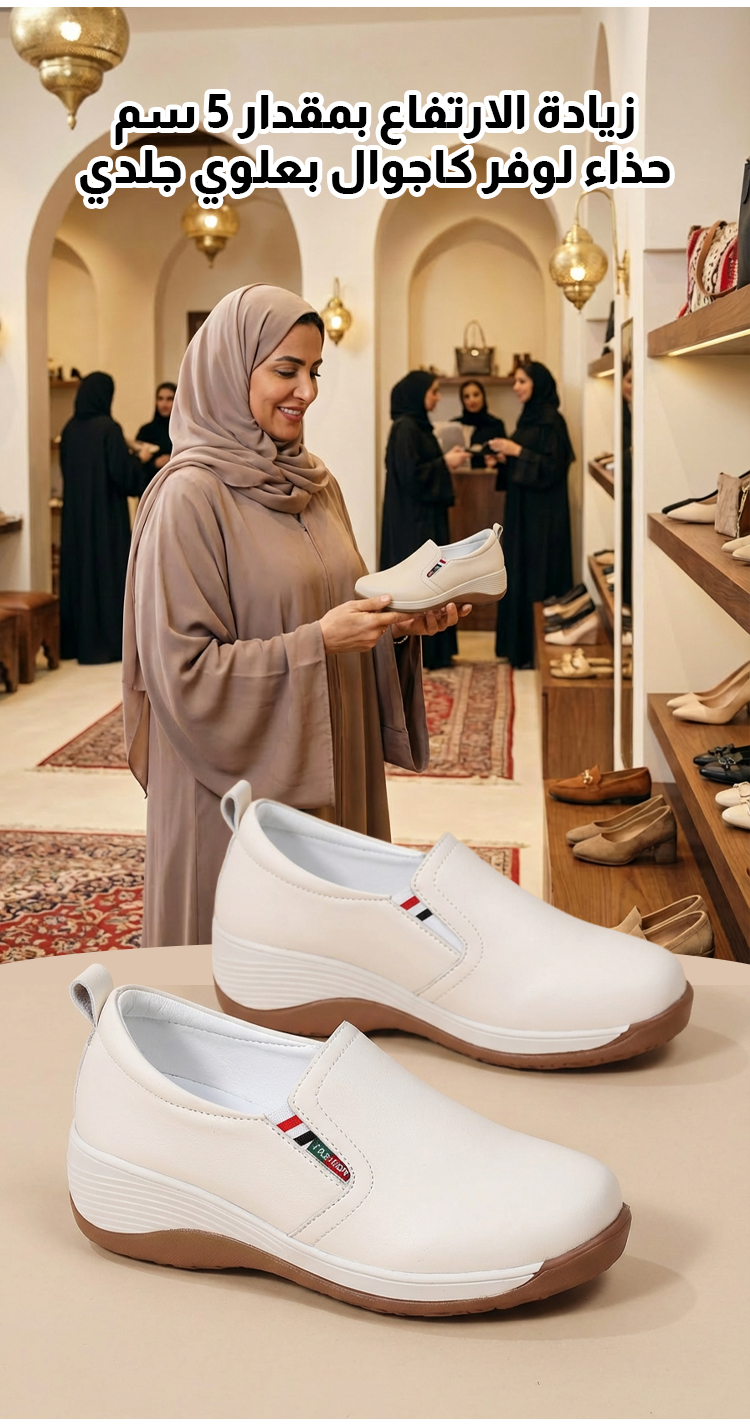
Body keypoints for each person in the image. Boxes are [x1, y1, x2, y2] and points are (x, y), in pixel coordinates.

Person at [122, 286, 470, 947]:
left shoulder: (317, 484)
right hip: (233, 792)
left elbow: (338, 603)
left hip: (336, 757)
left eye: (315, 371)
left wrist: (395, 628)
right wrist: (318, 644)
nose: (306, 391)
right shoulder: (190, 498)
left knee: (332, 957)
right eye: (286, 370)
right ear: (230, 371)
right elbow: (182, 672)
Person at [60, 371, 151, 664]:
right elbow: (123, 476)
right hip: (105, 518)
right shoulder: (108, 429)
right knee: (107, 572)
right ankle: (107, 643)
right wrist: (140, 461)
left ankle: (76, 643)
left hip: (75, 518)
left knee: (81, 573)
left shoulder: (69, 429)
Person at [489, 361, 574, 668]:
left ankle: (536, 651)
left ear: (538, 384)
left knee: (538, 570)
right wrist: (505, 459)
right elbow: (530, 463)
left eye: (522, 381)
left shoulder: (552, 421)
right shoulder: (529, 418)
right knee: (520, 570)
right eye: (515, 381)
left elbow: (553, 468)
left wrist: (516, 452)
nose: (516, 387)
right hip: (522, 512)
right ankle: (519, 649)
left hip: (543, 518)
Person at [379, 371, 467, 671]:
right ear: (417, 394)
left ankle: (436, 651)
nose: (438, 398)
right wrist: (445, 463)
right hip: (414, 524)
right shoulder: (406, 428)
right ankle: (424, 651)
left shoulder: (415, 426)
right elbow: (413, 477)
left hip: (423, 518)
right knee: (424, 580)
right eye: (434, 392)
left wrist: (442, 462)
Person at [458, 379, 507, 469]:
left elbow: (505, 458)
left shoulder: (496, 424)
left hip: (490, 475)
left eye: (476, 395)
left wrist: (496, 459)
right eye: (466, 397)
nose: (472, 400)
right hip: (460, 475)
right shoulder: (456, 425)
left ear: (483, 396)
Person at [135, 381, 176, 485]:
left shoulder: (184, 430)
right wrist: (154, 464)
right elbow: (136, 467)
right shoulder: (146, 431)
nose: (164, 404)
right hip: (152, 487)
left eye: (169, 399)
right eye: (160, 399)